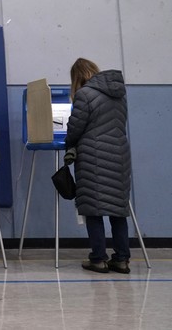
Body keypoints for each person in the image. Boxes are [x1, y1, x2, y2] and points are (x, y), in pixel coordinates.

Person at [64, 58, 132, 274]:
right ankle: (121, 259)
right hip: (119, 156)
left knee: (94, 209)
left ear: (78, 76)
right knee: (117, 210)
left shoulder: (84, 94)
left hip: (94, 157)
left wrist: (69, 143)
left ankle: (98, 259)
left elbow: (75, 128)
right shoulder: (119, 95)